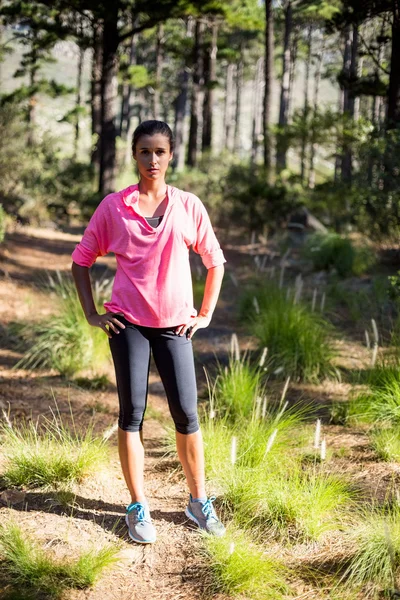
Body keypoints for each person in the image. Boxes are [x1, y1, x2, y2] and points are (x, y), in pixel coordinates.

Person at [71, 120, 226, 544]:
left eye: (160, 151)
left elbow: (215, 260)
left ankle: (198, 501)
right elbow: (81, 260)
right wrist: (92, 314)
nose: (152, 159)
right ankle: (138, 506)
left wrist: (205, 313)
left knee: (187, 416)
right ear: (134, 156)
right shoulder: (114, 207)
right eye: (144, 151)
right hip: (128, 324)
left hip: (176, 324)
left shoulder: (189, 206)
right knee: (132, 415)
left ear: (171, 155)